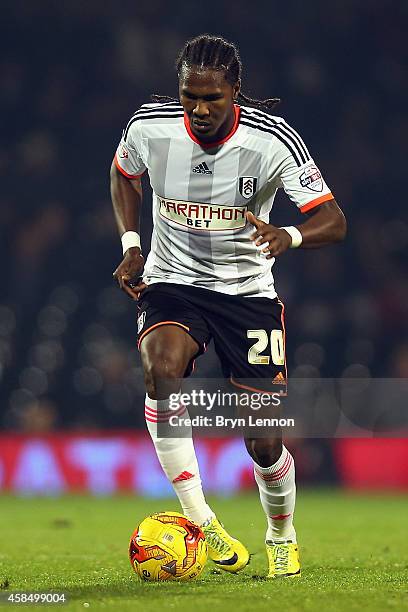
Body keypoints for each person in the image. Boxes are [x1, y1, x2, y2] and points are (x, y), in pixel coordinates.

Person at [110, 34, 346, 578]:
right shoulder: (149, 126)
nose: (200, 107)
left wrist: (290, 234)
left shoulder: (272, 141)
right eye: (190, 95)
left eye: (213, 97)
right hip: (173, 280)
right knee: (159, 370)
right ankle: (201, 522)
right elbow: (123, 174)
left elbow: (334, 220)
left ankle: (280, 533)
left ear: (235, 92)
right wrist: (130, 245)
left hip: (247, 295)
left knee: (264, 441)